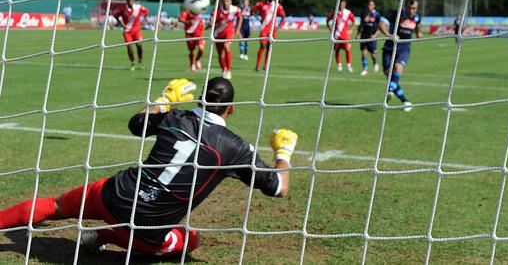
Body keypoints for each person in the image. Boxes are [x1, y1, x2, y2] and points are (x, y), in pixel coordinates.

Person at [0, 77, 298, 257]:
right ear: (230, 110)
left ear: (200, 99)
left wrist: (165, 99)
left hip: (112, 194)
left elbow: (136, 123)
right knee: (189, 240)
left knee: (54, 205)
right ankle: (101, 237)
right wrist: (283, 152)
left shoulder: (176, 116)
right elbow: (278, 189)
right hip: (143, 231)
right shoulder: (237, 148)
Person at [382, 0, 423, 111]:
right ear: (405, 6)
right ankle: (405, 101)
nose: (411, 10)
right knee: (388, 74)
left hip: (404, 48)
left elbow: (417, 27)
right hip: (389, 47)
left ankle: (390, 90)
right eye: (409, 8)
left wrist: (419, 33)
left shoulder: (417, 18)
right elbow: (381, 24)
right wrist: (388, 34)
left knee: (398, 67)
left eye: (413, 8)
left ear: (416, 9)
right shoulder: (396, 14)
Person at [211, 0, 243, 80]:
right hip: (218, 34)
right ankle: (223, 69)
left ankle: (229, 70)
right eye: (224, 1)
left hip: (229, 32)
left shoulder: (235, 9)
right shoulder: (217, 10)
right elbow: (211, 23)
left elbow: (240, 17)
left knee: (226, 46)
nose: (226, 3)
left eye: (227, 1)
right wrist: (218, 24)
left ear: (231, 1)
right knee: (220, 54)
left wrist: (237, 29)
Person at [114, 0, 149, 71]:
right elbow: (116, 15)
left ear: (134, 1)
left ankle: (140, 61)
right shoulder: (123, 8)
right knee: (130, 47)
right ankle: (132, 63)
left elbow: (146, 11)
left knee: (139, 45)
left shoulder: (138, 7)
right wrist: (122, 24)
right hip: (127, 31)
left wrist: (144, 21)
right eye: (129, 1)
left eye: (132, 0)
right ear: (127, 1)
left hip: (137, 30)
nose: (131, 2)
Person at [252, 0, 286, 71]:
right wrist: (257, 18)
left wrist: (278, 26)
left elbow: (283, 16)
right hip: (263, 29)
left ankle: (266, 65)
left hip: (272, 30)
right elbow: (252, 10)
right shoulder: (261, 4)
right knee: (262, 46)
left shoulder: (277, 5)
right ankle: (257, 65)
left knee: (269, 48)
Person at [326, 0, 356, 72]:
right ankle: (339, 65)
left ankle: (348, 66)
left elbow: (354, 21)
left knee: (348, 50)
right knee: (337, 51)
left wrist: (351, 30)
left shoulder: (348, 13)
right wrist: (330, 30)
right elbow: (327, 20)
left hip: (345, 36)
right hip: (336, 35)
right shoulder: (335, 12)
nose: (341, 6)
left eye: (343, 4)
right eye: (340, 4)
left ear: (345, 5)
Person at [358, 0, 382, 75]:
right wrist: (358, 34)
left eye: (371, 5)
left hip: (372, 37)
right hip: (364, 36)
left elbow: (380, 27)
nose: (369, 6)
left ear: (374, 6)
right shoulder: (363, 13)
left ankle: (375, 63)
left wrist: (375, 35)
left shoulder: (377, 15)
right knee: (363, 52)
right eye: (368, 5)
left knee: (373, 54)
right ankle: (365, 69)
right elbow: (361, 25)